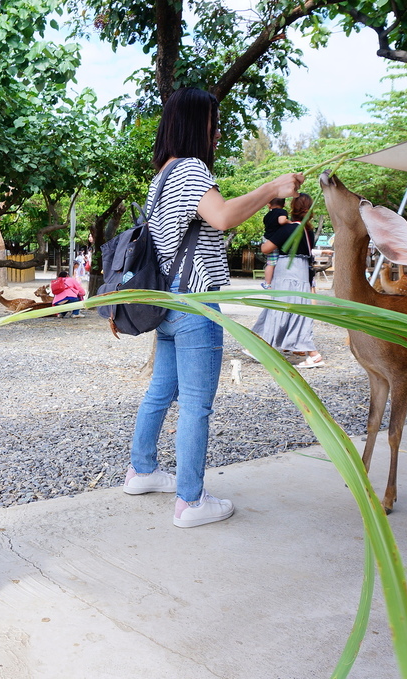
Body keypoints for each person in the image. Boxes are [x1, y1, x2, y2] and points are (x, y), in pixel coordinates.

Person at [121, 87, 304, 528]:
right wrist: (271, 188)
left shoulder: (162, 175)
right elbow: (222, 216)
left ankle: (141, 471)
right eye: (212, 123)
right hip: (196, 301)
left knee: (161, 391)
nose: (217, 132)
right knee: (197, 403)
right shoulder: (191, 169)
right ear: (194, 125)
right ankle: (191, 501)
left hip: (167, 299)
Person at [251, 193, 324, 367]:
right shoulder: (308, 231)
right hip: (302, 272)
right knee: (296, 310)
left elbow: (267, 249)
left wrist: (266, 239)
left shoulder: (288, 229)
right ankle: (268, 345)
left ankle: (265, 346)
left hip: (288, 271)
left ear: (292, 208)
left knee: (280, 307)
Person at [260, 197, 289, 289]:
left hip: (266, 239)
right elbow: (282, 221)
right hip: (274, 240)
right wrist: (290, 222)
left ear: (269, 204)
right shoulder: (282, 212)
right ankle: (268, 284)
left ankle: (267, 283)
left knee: (271, 262)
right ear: (284, 204)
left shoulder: (267, 215)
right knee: (273, 263)